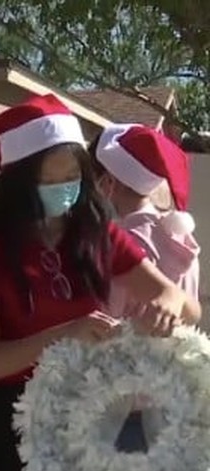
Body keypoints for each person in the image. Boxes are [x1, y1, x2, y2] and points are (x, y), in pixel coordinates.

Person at [0, 94, 202, 471]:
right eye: (49, 180)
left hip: (90, 416)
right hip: (16, 424)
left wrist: (167, 307)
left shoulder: (97, 234)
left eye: (71, 177)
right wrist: (66, 333)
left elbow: (184, 304)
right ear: (19, 181)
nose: (63, 189)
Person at [91, 124, 200, 451]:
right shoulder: (181, 238)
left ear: (108, 183)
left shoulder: (122, 246)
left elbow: (102, 328)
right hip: (176, 398)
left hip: (126, 409)